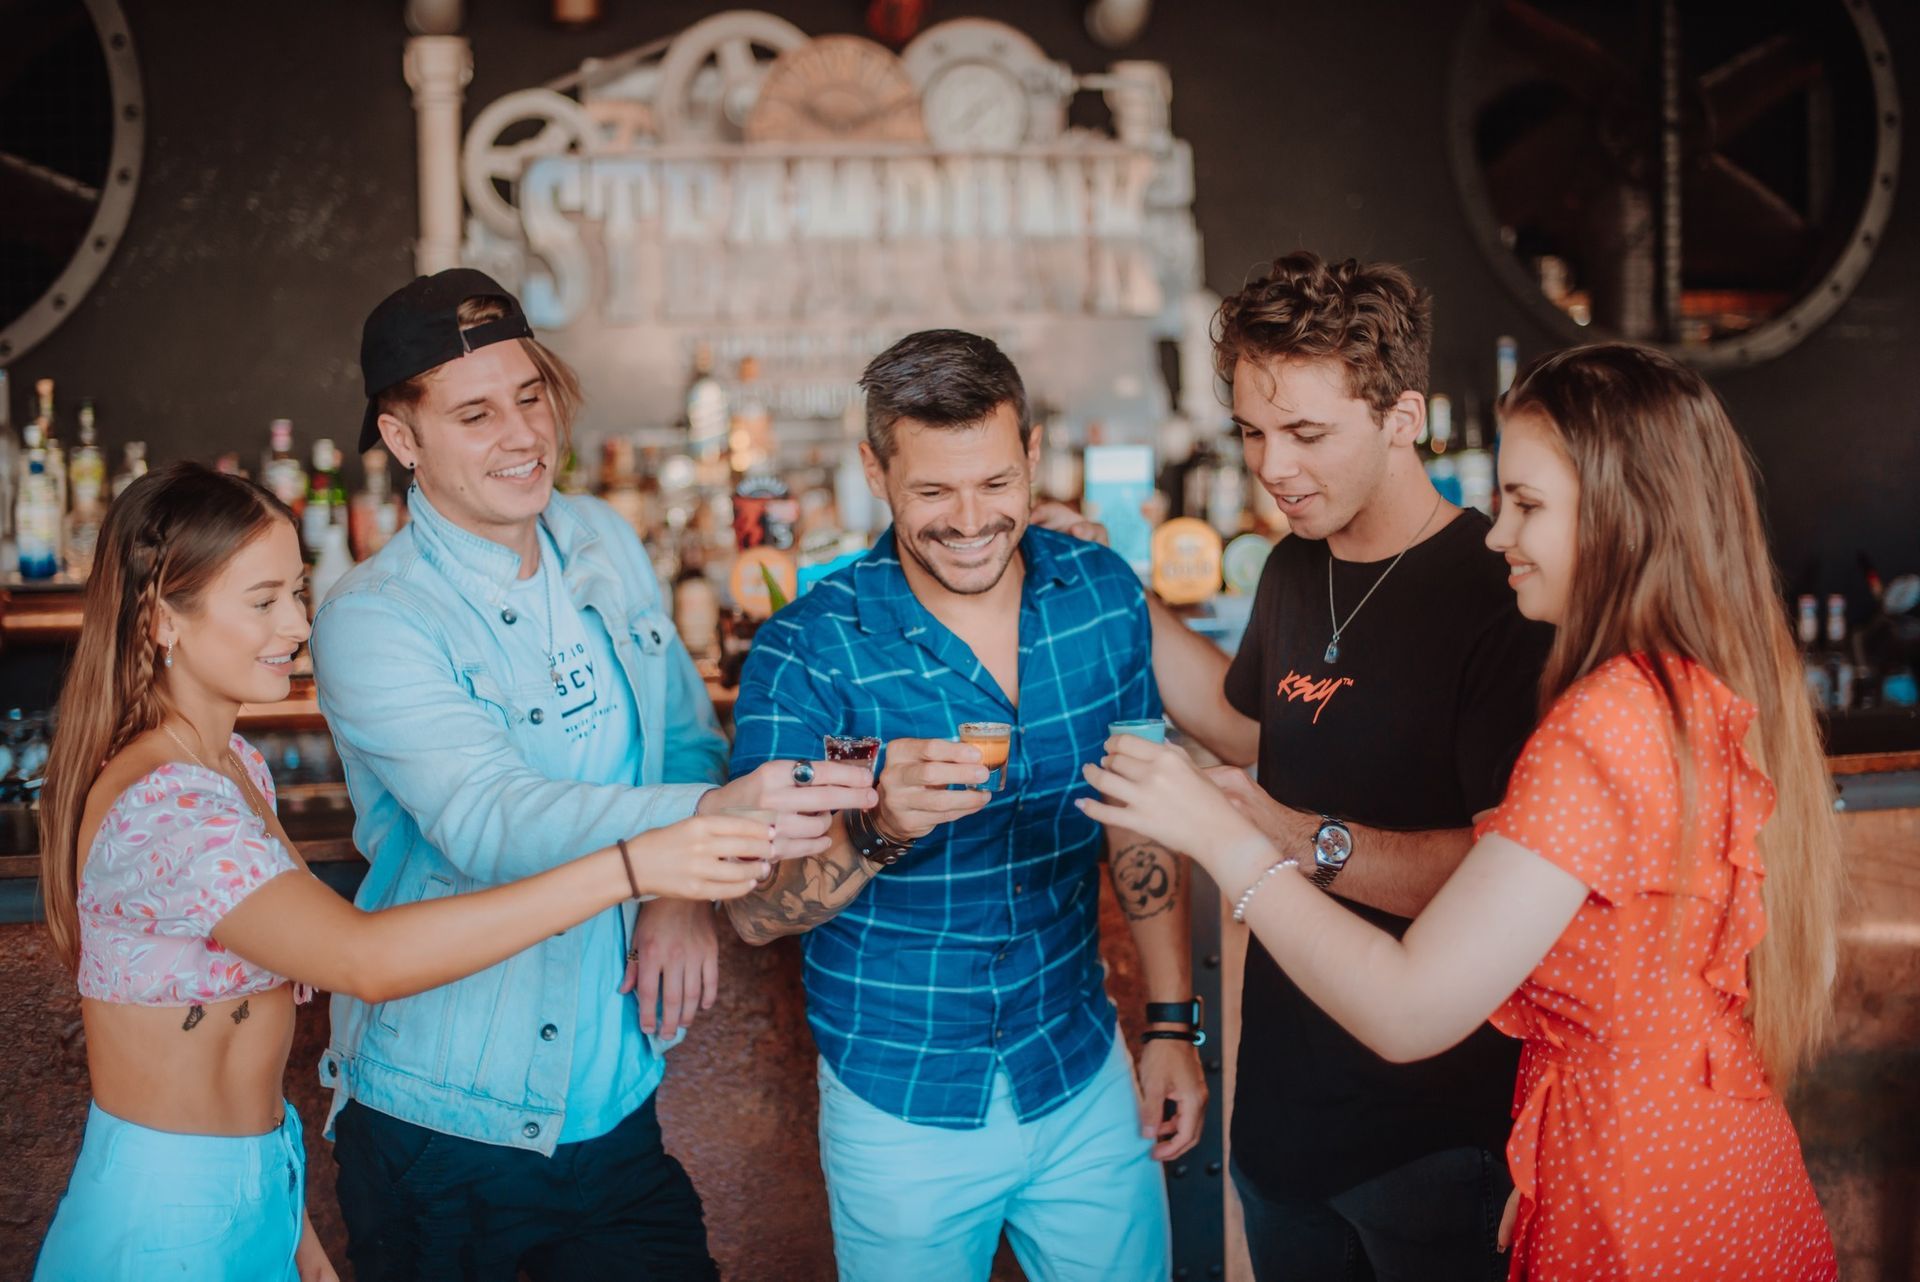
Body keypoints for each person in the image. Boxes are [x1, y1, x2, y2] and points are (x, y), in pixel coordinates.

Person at [1082, 341, 1842, 1281]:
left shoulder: (1605, 721)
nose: (1498, 534)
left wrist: (1225, 839)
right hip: (1699, 1158)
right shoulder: (1690, 689)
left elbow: (1407, 1009)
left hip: (1635, 1200)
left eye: (1527, 505)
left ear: (1623, 517)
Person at [32, 464, 777, 1281]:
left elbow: (234, 1062)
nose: (299, 623)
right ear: (162, 618)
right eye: (264, 601)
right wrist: (633, 863)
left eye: (299, 592)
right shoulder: (166, 804)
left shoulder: (231, 763)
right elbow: (365, 960)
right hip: (163, 1218)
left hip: (254, 1190)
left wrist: (291, 1226)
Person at [309, 269, 878, 1280]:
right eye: (475, 413)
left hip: (610, 1100)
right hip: (444, 1125)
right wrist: (701, 823)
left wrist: (674, 888)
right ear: (402, 440)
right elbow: (491, 819)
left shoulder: (603, 540)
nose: (523, 434)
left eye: (530, 395)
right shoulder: (374, 617)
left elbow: (683, 736)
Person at [1041, 251, 1552, 1279]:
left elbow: (1503, 872)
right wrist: (1111, 582)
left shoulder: (1499, 593)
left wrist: (1282, 839)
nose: (1272, 466)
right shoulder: (1291, 563)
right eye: (1252, 431)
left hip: (1438, 1139)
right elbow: (1249, 728)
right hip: (1282, 1122)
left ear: (1403, 417)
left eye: (1307, 433)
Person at [726, 329, 1204, 1282]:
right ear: (874, 470)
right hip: (898, 1103)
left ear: (1032, 456)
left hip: (1078, 1070)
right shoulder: (810, 650)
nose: (972, 521)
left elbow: (1139, 828)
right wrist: (875, 829)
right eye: (934, 492)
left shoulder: (1101, 595)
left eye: (995, 484)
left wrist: (1169, 1026)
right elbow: (754, 910)